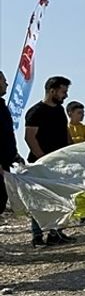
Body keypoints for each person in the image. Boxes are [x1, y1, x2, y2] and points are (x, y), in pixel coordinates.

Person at [24, 76, 77, 246]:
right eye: (63, 92)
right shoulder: (36, 112)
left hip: (60, 163)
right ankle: (37, 236)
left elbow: (65, 133)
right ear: (52, 91)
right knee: (39, 201)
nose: (65, 96)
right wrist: (43, 159)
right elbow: (30, 138)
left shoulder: (59, 111)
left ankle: (56, 234)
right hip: (41, 164)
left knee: (60, 199)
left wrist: (72, 150)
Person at [0, 71, 23, 217]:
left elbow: (6, 136)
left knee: (2, 198)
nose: (6, 84)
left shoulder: (2, 107)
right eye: (3, 81)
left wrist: (14, 155)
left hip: (5, 161)